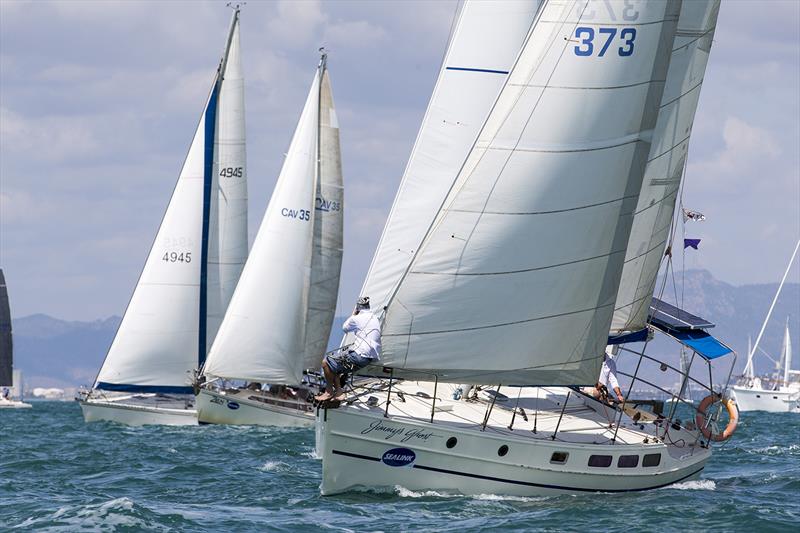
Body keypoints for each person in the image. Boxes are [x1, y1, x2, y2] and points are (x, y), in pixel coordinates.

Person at [316, 296, 381, 402]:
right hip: (370, 357)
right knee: (335, 364)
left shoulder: (356, 318)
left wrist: (354, 314)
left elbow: (345, 328)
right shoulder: (375, 317)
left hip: (360, 355)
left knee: (325, 363)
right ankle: (339, 393)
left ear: (358, 307)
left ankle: (329, 392)